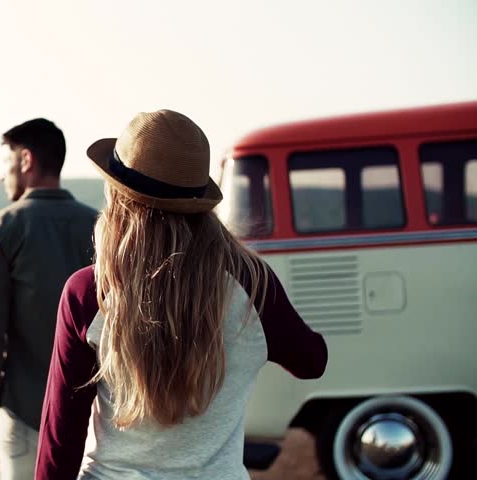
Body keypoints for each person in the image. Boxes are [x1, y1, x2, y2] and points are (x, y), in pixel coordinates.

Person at [35, 110, 328, 480]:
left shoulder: (89, 293)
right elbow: (312, 361)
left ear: (117, 198)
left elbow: (62, 433)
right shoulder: (252, 285)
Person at [0, 118, 98, 479]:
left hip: (24, 413)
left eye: (7, 163)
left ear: (26, 160)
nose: (4, 176)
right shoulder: (104, 228)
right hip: (95, 417)